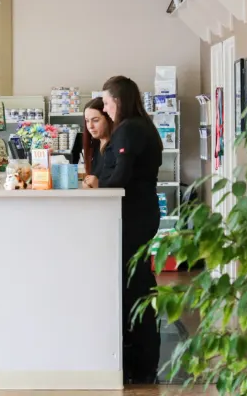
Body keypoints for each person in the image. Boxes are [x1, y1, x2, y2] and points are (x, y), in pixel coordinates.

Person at [88, 76, 163, 384]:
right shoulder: (140, 126)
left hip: (135, 216)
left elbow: (119, 177)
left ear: (117, 102)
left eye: (105, 103)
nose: (104, 109)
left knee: (135, 285)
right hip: (140, 214)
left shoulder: (130, 129)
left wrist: (96, 187)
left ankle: (142, 362)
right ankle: (137, 358)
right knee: (134, 282)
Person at [81, 97, 112, 185]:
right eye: (87, 121)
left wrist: (99, 184)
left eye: (95, 120)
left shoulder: (116, 145)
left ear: (108, 119)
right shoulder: (95, 145)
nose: (90, 126)